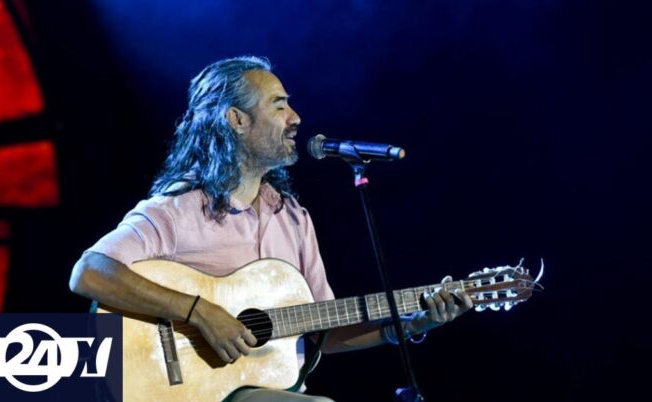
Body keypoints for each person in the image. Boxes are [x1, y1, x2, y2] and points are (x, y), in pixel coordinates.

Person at [69, 56, 473, 402]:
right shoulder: (179, 209)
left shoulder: (293, 219)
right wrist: (199, 312)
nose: (295, 118)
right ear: (237, 120)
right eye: (279, 105)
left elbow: (324, 335)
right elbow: (90, 272)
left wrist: (411, 325)